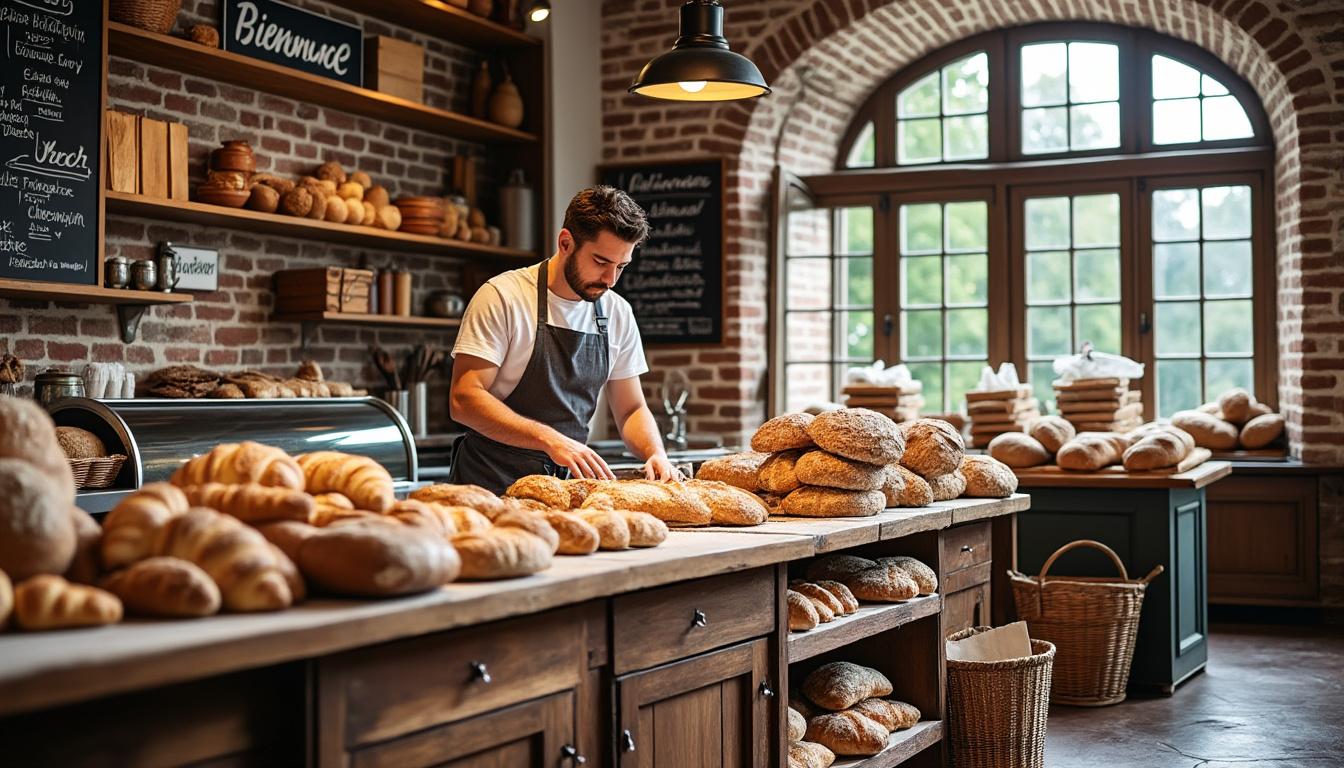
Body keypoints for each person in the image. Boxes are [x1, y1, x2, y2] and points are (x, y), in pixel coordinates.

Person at [446, 186, 680, 494]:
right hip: (487, 489)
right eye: (600, 262)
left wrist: (655, 453)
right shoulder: (503, 297)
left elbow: (631, 409)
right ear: (566, 242)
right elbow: (464, 400)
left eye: (621, 267)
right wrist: (549, 439)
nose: (610, 280)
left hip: (562, 493)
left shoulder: (617, 312)